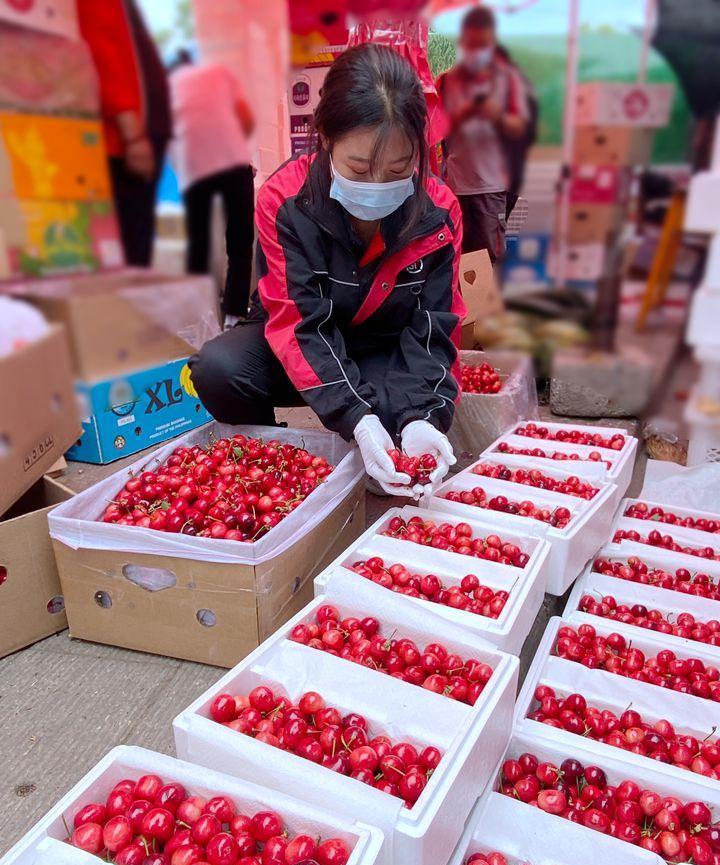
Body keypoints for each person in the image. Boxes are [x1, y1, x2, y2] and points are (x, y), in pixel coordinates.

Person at [189, 43, 464, 498]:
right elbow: (300, 323)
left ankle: (386, 429)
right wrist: (356, 417)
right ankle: (274, 462)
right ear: (325, 138)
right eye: (358, 167)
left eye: (399, 168)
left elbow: (434, 326)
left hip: (378, 348)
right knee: (221, 367)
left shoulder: (439, 212)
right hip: (302, 343)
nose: (377, 185)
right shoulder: (284, 201)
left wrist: (422, 415)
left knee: (398, 438)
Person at [77, 0, 172, 266]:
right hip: (121, 141)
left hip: (135, 134)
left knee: (134, 249)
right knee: (128, 255)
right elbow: (101, 51)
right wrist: (131, 133)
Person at [169, 50, 256, 327]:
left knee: (198, 245)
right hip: (233, 163)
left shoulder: (167, 87)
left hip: (196, 168)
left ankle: (199, 319)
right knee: (240, 246)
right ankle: (234, 315)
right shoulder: (220, 74)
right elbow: (247, 121)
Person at [438, 6, 529, 263]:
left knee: (489, 257)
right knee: (459, 258)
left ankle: (487, 302)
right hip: (457, 186)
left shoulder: (508, 79)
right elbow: (436, 128)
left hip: (492, 186)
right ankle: (465, 303)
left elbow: (519, 128)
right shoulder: (447, 81)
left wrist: (496, 116)